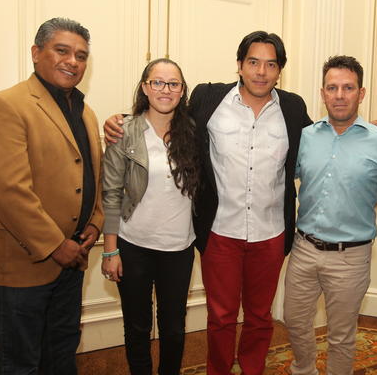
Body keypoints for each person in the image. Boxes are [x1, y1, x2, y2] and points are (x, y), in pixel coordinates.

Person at [104, 31, 311, 375]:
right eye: (253, 62)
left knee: (260, 317)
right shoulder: (209, 99)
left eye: (270, 64)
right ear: (240, 66)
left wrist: (362, 129)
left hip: (270, 231)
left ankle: (252, 370)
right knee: (221, 317)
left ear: (279, 71)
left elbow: (318, 142)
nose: (261, 71)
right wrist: (119, 121)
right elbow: (163, 112)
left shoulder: (292, 107)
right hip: (221, 231)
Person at [0, 17, 104, 374]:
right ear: (36, 53)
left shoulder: (85, 112)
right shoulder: (7, 105)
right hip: (25, 263)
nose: (73, 62)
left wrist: (94, 223)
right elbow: (7, 190)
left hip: (74, 258)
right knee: (20, 362)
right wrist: (54, 244)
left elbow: (93, 174)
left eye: (81, 55)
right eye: (61, 51)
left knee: (61, 353)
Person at [283, 56, 377, 375]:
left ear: (361, 93)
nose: (340, 95)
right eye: (332, 88)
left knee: (341, 336)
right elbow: (285, 178)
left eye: (348, 87)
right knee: (294, 320)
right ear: (322, 93)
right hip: (304, 249)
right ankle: (304, 370)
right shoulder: (306, 137)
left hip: (350, 257)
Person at [101, 58, 199, 374]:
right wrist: (110, 249)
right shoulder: (124, 132)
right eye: (158, 82)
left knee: (173, 329)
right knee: (137, 328)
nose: (165, 90)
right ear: (145, 87)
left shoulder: (194, 132)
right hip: (133, 246)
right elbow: (111, 194)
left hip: (178, 249)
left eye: (173, 84)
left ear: (182, 91)